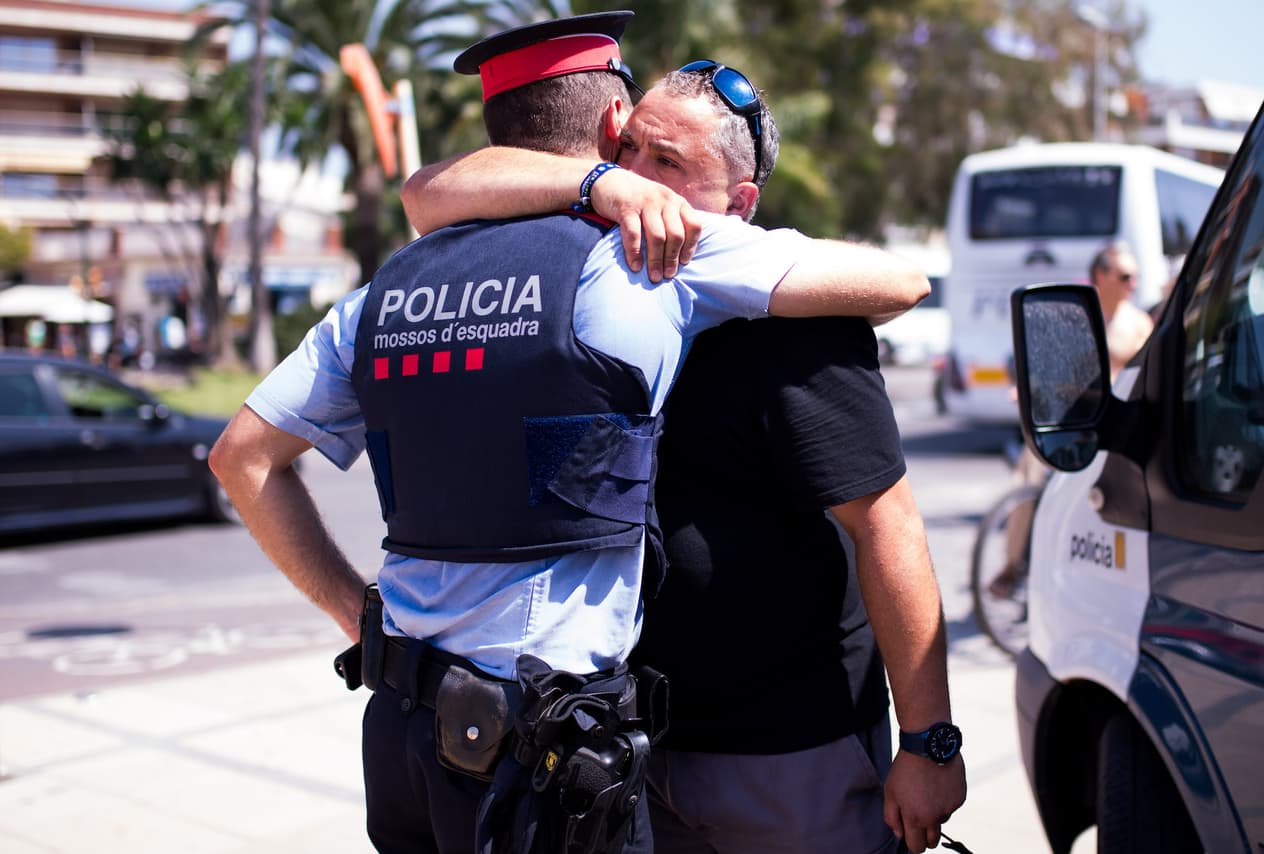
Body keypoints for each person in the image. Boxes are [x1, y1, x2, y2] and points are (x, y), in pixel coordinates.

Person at [210, 12, 930, 854]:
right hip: (540, 753)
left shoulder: (385, 292)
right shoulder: (645, 256)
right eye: (635, 150)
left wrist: (357, 616)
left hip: (402, 734)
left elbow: (241, 458)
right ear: (614, 123)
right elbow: (901, 281)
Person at [402, 62, 966, 854]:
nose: (639, 180)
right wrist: (599, 185)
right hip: (627, 748)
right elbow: (427, 193)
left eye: (668, 163)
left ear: (740, 203)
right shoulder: (578, 275)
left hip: (788, 754)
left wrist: (929, 741)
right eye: (627, 150)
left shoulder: (796, 315)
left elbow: (889, 526)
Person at [994, 242, 1154, 597]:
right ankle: (1011, 564)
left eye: (1135, 277)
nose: (1132, 284)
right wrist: (1030, 391)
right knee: (1026, 478)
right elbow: (1051, 365)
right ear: (1101, 276)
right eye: (1125, 276)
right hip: (1070, 417)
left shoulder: (1138, 324)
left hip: (1110, 423)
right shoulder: (1074, 316)